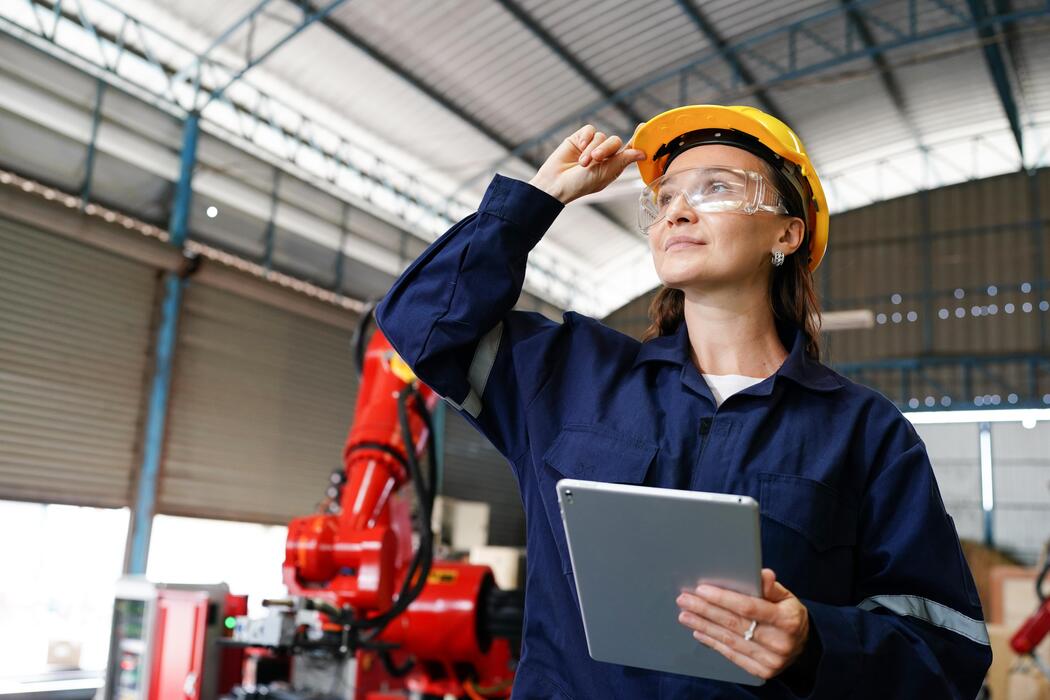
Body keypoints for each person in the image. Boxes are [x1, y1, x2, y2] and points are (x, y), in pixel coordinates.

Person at [374, 105, 992, 698]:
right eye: (665, 197)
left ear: (787, 231)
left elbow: (949, 650)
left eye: (715, 188)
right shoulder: (566, 373)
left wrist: (813, 641)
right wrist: (539, 200)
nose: (677, 212)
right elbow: (420, 322)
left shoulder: (864, 433)